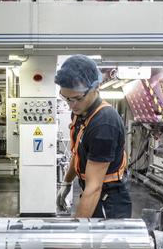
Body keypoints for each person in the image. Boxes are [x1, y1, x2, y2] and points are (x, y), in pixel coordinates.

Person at [55, 55, 132, 219]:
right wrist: (67, 181)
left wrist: (77, 233)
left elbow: (94, 188)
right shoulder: (80, 113)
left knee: (98, 244)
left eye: (77, 98)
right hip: (93, 193)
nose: (71, 105)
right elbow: (77, 153)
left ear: (96, 88)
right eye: (66, 98)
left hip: (109, 203)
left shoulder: (104, 124)